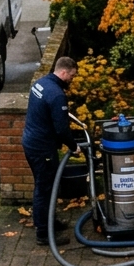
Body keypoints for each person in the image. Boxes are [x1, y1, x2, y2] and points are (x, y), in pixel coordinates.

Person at [22, 56, 79, 243]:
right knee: (44, 188)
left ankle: (49, 221)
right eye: (71, 76)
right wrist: (74, 146)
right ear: (63, 72)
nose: (72, 79)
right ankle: (43, 233)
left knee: (45, 185)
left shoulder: (41, 84)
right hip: (42, 148)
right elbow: (61, 129)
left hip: (31, 142)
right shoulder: (57, 94)